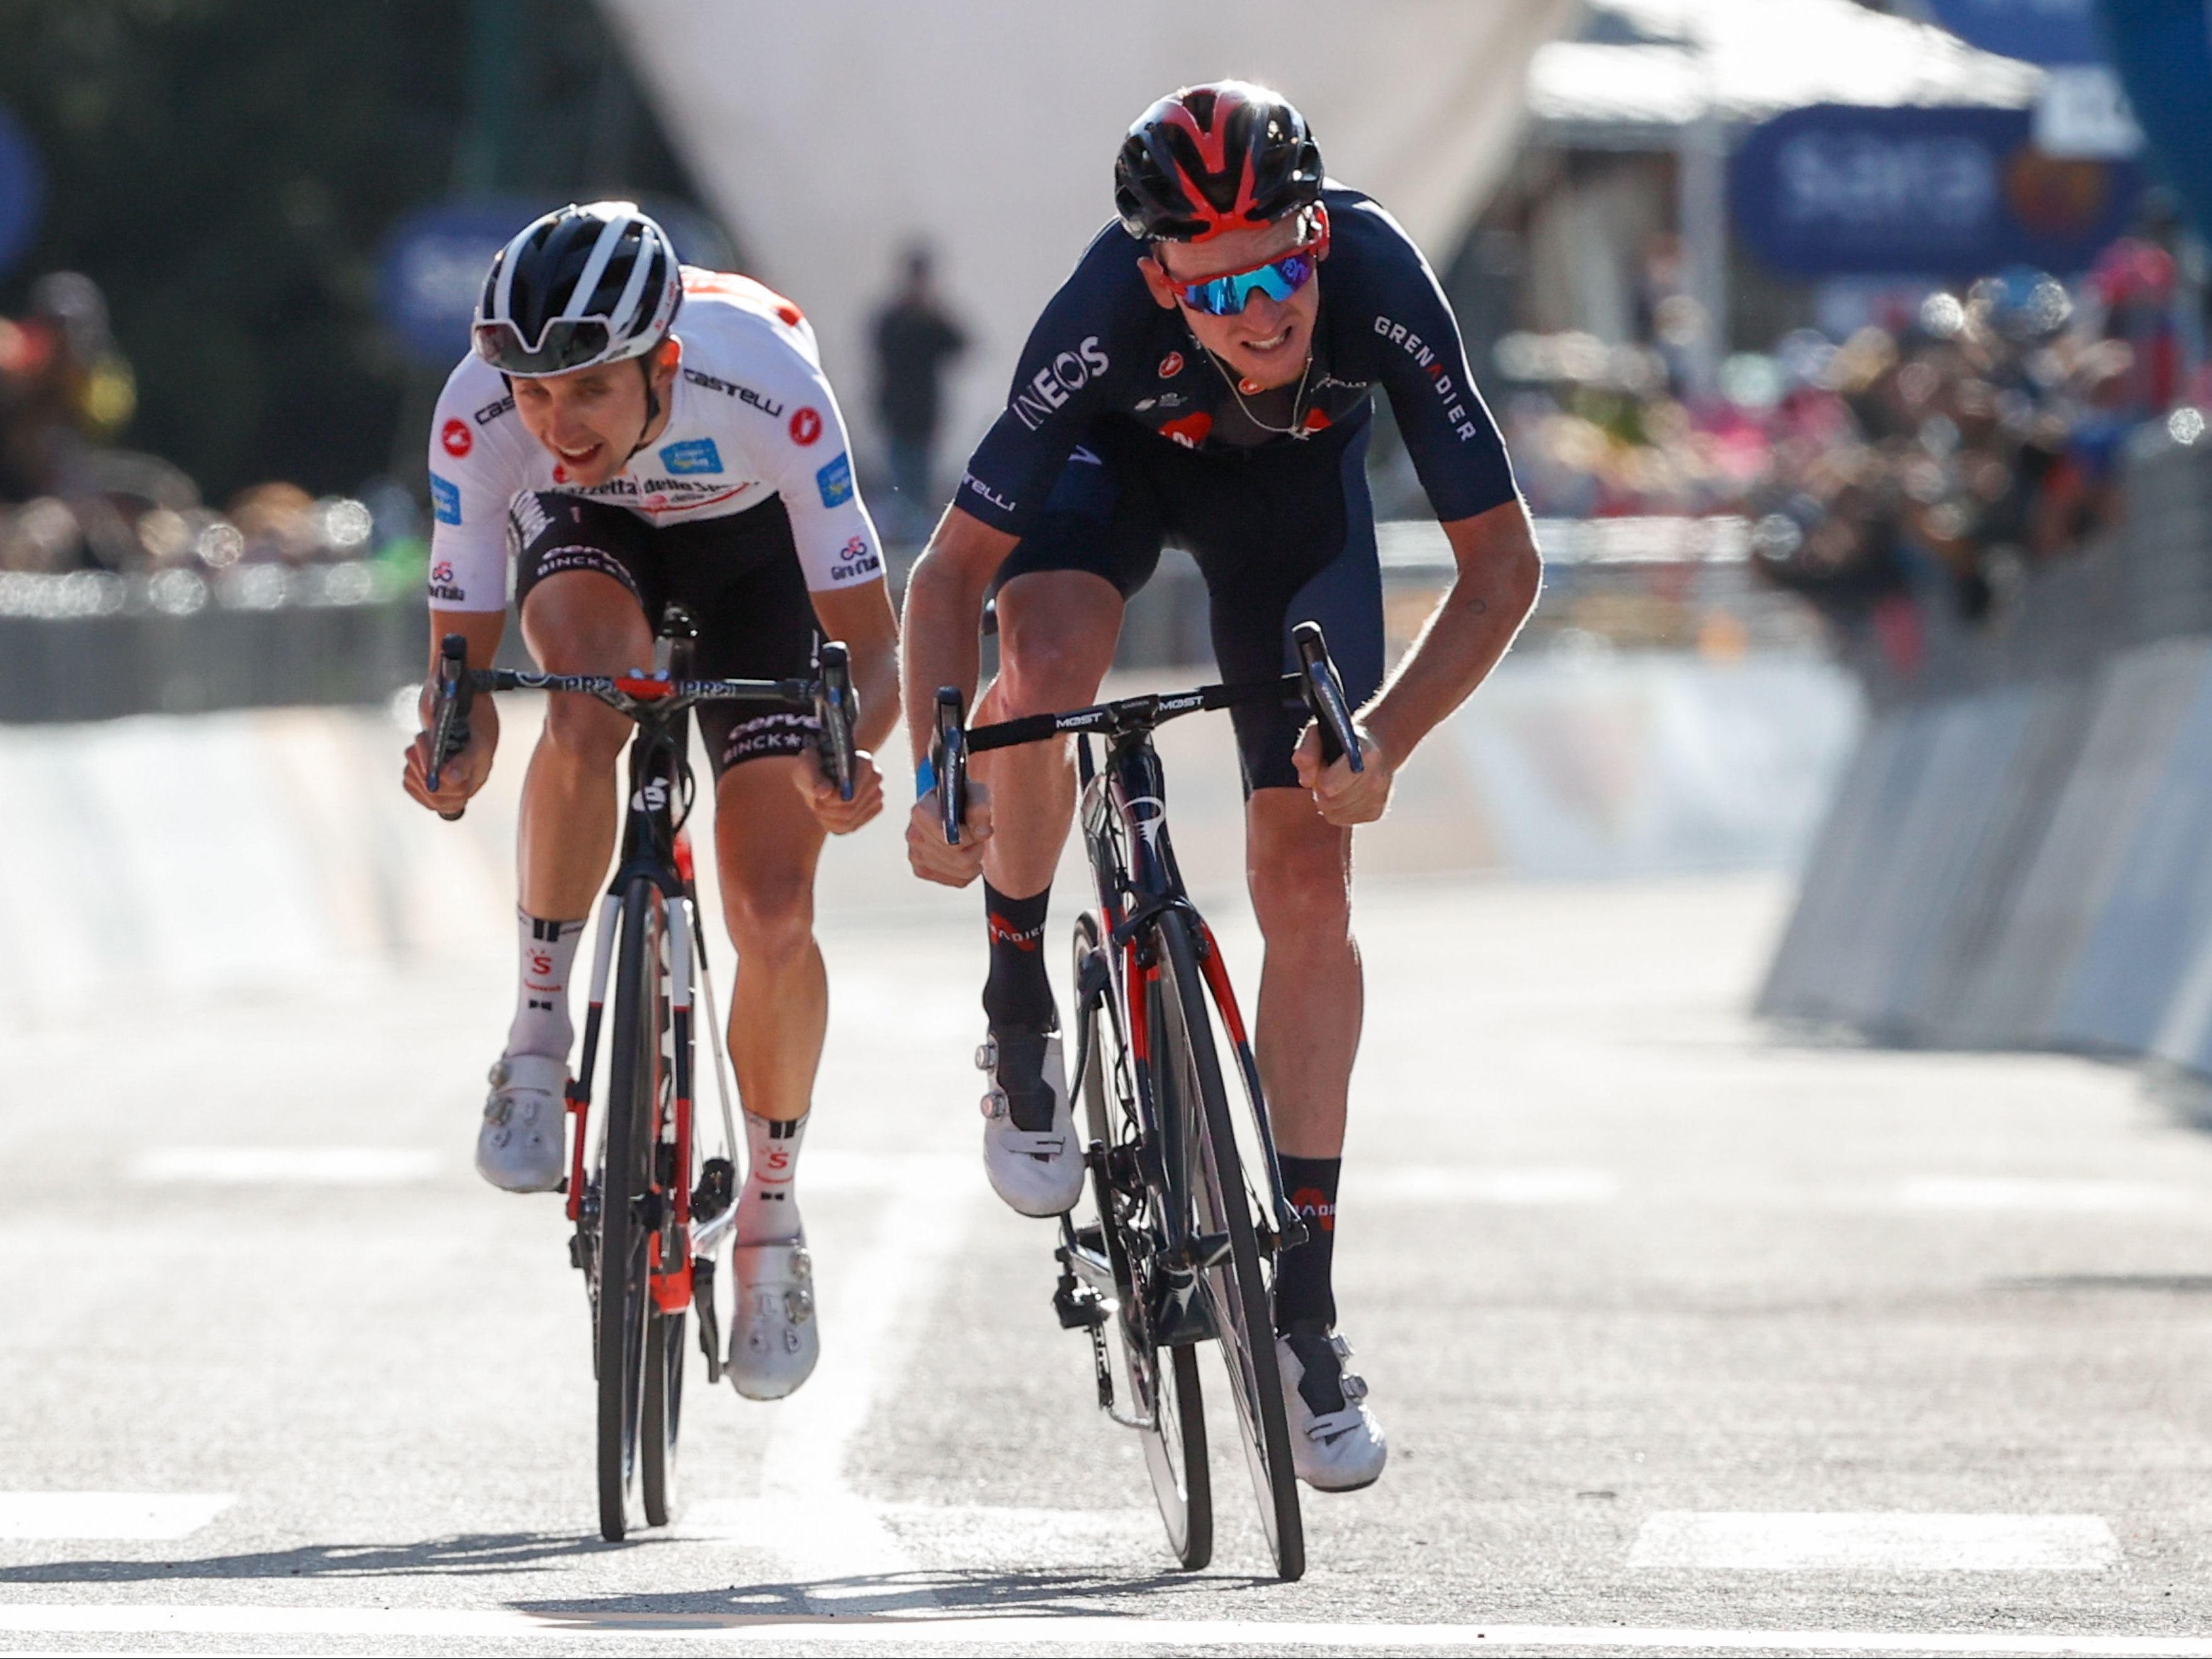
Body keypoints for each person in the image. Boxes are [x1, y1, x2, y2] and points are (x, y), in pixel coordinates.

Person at [900, 83, 1541, 1492]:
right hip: (1104, 482)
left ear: (1317, 234)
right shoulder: (1098, 316)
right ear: (1158, 281)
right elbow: (946, 576)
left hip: (1289, 515)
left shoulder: (1375, 282)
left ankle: (1303, 1306)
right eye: (1220, 285)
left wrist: (1386, 736)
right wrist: (940, 767)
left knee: (1307, 868)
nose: (1263, 313)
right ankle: (1018, 1004)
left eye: (1283, 264)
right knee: (1049, 659)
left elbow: (1503, 569)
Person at [401, 201, 900, 1403]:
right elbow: (460, 653)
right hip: (594, 549)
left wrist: (845, 761)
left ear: (662, 363)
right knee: (583, 697)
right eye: (532, 394)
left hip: (757, 561)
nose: (555, 423)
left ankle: (772, 1223)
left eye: (585, 392)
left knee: (773, 909)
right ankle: (535, 1037)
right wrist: (451, 742)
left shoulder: (766, 379)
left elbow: (872, 652)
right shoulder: (483, 412)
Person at [871, 246, 967, 540]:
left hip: (923, 411)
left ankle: (915, 535)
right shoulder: (894, 318)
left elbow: (960, 345)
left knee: (920, 479)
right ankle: (906, 533)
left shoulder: (929, 318)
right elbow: (884, 353)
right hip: (899, 410)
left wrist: (934, 314)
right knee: (902, 478)